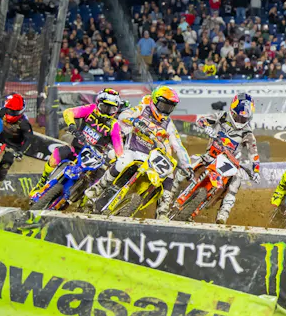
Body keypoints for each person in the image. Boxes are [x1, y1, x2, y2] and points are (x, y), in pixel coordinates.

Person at [85, 86, 192, 219]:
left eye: (169, 107)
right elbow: (123, 115)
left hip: (151, 159)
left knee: (169, 174)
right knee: (124, 160)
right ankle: (99, 187)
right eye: (163, 105)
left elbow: (178, 146)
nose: (165, 109)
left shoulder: (168, 124)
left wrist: (187, 165)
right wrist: (135, 121)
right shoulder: (143, 109)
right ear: (155, 101)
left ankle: (163, 211)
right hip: (133, 150)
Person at [191, 93, 260, 224]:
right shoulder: (222, 116)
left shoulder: (248, 133)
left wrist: (256, 171)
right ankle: (170, 193)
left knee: (237, 179)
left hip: (229, 162)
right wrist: (206, 127)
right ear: (232, 111)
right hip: (211, 154)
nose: (241, 120)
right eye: (239, 117)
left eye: (244, 118)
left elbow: (254, 154)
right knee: (189, 164)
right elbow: (201, 120)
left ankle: (223, 213)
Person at [38, 88, 125, 187]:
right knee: (56, 155)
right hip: (76, 150)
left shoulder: (114, 125)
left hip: (94, 162)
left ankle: (87, 196)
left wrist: (117, 160)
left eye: (111, 109)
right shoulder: (90, 109)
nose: (106, 112)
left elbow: (119, 150)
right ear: (98, 103)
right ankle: (42, 181)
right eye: (104, 107)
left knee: (98, 181)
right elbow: (68, 112)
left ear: (116, 110)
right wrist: (72, 125)